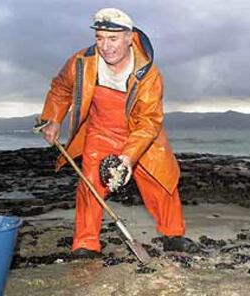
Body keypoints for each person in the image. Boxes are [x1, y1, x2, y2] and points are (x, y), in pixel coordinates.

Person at [40, 8, 196, 258]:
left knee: (161, 182)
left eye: (112, 38)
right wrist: (52, 119)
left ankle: (173, 235)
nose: (105, 46)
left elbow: (148, 121)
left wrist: (128, 158)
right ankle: (85, 244)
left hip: (142, 134)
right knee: (90, 183)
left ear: (129, 37)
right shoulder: (81, 63)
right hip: (101, 131)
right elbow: (60, 89)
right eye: (99, 38)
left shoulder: (149, 74)